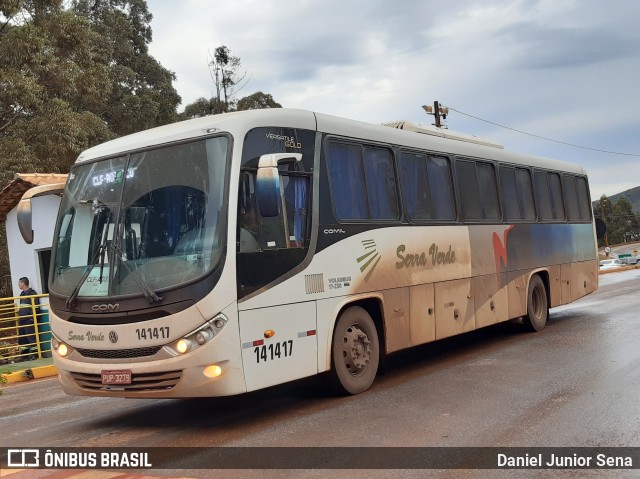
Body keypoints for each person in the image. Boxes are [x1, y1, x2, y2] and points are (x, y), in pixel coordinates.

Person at [17, 277, 40, 361]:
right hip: (22, 319)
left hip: (29, 319)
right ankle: (24, 355)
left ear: (23, 283)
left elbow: (36, 307)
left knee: (31, 337)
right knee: (22, 337)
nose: (18, 284)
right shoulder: (22, 294)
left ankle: (35, 354)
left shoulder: (32, 293)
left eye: (19, 283)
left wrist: (32, 319)